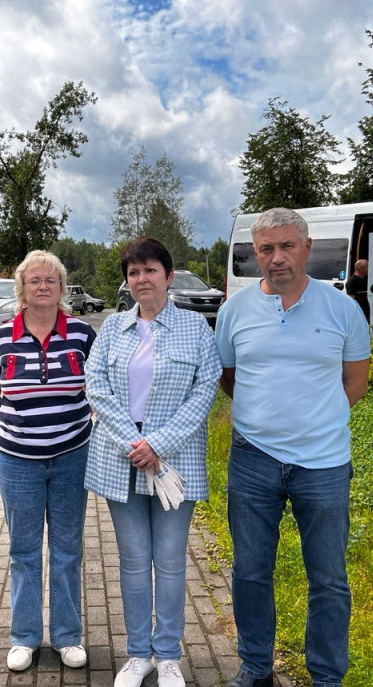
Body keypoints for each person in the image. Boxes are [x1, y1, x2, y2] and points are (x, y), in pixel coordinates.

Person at [215, 208, 370, 687]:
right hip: (252, 461)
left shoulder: (343, 308)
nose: (276, 258)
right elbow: (229, 376)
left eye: (285, 246)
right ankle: (256, 667)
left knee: (328, 578)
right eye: (266, 249)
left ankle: (326, 676)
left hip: (323, 464)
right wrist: (268, 419)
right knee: (249, 572)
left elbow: (356, 381)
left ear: (307, 247)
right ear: (255, 253)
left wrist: (311, 422)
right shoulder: (233, 311)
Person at [85, 238, 222, 687]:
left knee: (169, 561)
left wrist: (158, 444)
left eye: (150, 271)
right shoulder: (111, 329)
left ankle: (168, 656)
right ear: (126, 281)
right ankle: (138, 653)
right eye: (133, 272)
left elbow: (205, 390)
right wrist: (133, 441)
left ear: (167, 274)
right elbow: (96, 385)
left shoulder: (196, 329)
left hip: (172, 461)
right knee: (131, 560)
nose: (141, 279)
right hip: (121, 456)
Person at [0, 250, 96, 672]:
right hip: (17, 461)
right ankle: (24, 638)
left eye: (51, 280)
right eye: (35, 281)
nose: (43, 286)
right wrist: (5, 433)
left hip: (72, 457)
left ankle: (68, 636)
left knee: (67, 549)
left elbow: (97, 389)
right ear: (22, 289)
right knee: (24, 551)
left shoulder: (83, 335)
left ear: (62, 288)